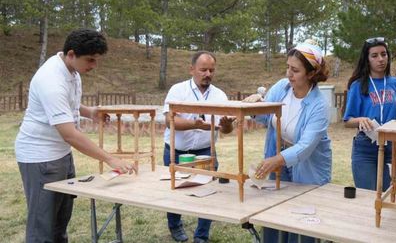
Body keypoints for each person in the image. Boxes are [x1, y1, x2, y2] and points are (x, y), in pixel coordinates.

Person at [15, 29, 137, 243]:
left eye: (97, 60)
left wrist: (89, 112)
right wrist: (110, 159)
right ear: (71, 54)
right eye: (90, 60)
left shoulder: (72, 71)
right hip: (40, 158)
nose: (93, 66)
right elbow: (70, 134)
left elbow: (67, 104)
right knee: (42, 225)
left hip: (60, 155)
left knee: (60, 222)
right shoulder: (50, 79)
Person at [245, 40, 332, 243]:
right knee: (272, 213)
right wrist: (253, 107)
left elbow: (304, 148)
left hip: (308, 166)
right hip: (279, 158)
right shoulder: (281, 88)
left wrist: (275, 160)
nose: (288, 74)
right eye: (287, 67)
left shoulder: (319, 105)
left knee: (301, 218)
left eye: (295, 70)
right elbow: (266, 116)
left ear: (311, 74)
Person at [162, 51, 234, 243]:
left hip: (205, 151)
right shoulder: (177, 90)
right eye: (203, 70)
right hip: (176, 151)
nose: (207, 74)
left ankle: (201, 236)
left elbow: (225, 129)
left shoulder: (220, 95)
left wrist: (227, 125)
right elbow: (170, 121)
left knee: (208, 192)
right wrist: (195, 124)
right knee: (175, 191)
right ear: (192, 69)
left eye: (211, 70)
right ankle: (175, 226)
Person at [343, 37, 396, 191]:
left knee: (386, 195)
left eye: (384, 54)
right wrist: (360, 120)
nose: (381, 59)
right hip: (365, 147)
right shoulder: (358, 85)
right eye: (375, 55)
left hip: (390, 147)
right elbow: (347, 121)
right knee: (367, 196)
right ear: (367, 59)